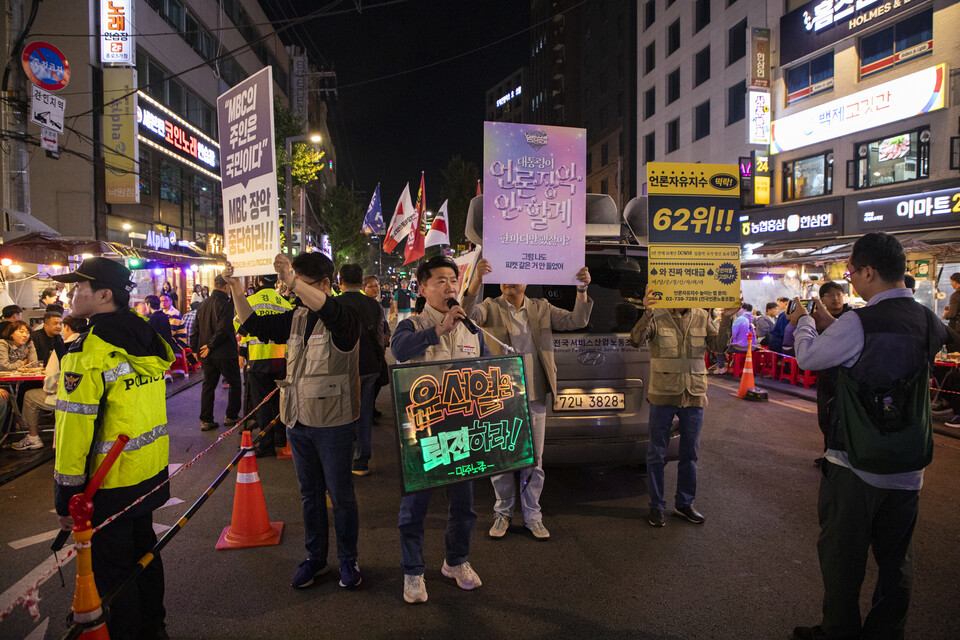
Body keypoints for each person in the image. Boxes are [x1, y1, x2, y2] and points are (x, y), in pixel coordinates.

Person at [789, 232, 945, 640]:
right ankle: (886, 632)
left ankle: (839, 631)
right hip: (909, 467)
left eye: (852, 271)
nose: (851, 279)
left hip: (855, 464)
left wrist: (805, 321)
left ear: (870, 272)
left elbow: (808, 357)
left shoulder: (861, 320)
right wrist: (833, 326)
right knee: (897, 563)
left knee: (843, 559)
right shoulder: (929, 319)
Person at [51, 257, 174, 640]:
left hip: (107, 484)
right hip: (148, 472)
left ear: (103, 295)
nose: (71, 294)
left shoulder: (87, 353)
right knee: (145, 557)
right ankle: (154, 628)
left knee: (113, 572)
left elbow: (74, 431)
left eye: (79, 287)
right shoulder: (144, 336)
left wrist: (66, 498)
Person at [225, 252, 363, 591]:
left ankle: (348, 559)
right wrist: (235, 289)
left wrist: (293, 281)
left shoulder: (346, 315)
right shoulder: (297, 316)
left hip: (333, 422)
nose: (291, 290)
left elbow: (330, 313)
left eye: (301, 283)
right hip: (297, 421)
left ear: (325, 284)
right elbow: (254, 324)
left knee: (341, 496)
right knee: (309, 495)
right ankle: (316, 558)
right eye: (292, 283)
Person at [463, 258, 593, 541]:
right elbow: (468, 317)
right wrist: (475, 281)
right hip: (500, 395)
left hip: (534, 393)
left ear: (528, 279)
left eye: (517, 275)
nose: (511, 281)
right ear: (498, 280)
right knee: (500, 457)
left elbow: (577, 320)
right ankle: (503, 511)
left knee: (534, 460)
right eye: (505, 275)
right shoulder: (491, 306)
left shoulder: (541, 307)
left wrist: (582, 290)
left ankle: (533, 514)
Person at [391, 256, 486, 604]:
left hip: (462, 432)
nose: (449, 287)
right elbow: (399, 352)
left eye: (453, 280)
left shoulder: (471, 329)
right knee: (415, 507)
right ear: (422, 288)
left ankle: (456, 561)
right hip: (422, 434)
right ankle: (413, 570)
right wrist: (439, 330)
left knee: (464, 504)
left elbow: (488, 375)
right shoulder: (412, 325)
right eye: (440, 281)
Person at [629, 291, 737, 527]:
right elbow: (636, 340)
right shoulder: (656, 314)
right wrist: (646, 312)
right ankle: (656, 505)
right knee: (656, 452)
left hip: (694, 394)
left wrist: (727, 318)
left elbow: (719, 347)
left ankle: (684, 504)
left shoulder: (701, 314)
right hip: (663, 392)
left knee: (690, 453)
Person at [11, 315, 87, 451]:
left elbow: (51, 376)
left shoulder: (62, 347)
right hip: (89, 400)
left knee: (30, 396)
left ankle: (33, 438)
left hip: (66, 398)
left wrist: (50, 389)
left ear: (67, 327)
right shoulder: (92, 345)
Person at [236, 273, 293, 457]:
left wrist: (242, 353)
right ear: (275, 282)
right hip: (281, 359)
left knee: (262, 403)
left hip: (258, 359)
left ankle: (265, 443)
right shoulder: (284, 302)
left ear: (258, 281)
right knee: (280, 401)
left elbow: (239, 327)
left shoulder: (250, 301)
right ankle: (280, 437)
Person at [337, 265, 386, 476]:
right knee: (364, 412)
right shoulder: (374, 306)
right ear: (361, 283)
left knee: (341, 415)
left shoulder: (334, 304)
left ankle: (342, 459)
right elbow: (381, 336)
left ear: (340, 281)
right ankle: (361, 461)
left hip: (342, 367)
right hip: (369, 367)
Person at [191, 275, 241, 432]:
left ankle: (206, 419)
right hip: (224, 352)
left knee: (208, 385)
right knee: (235, 383)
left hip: (206, 354)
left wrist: (195, 349)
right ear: (226, 286)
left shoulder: (203, 304)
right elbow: (224, 328)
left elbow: (195, 328)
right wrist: (210, 345)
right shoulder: (225, 304)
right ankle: (231, 415)